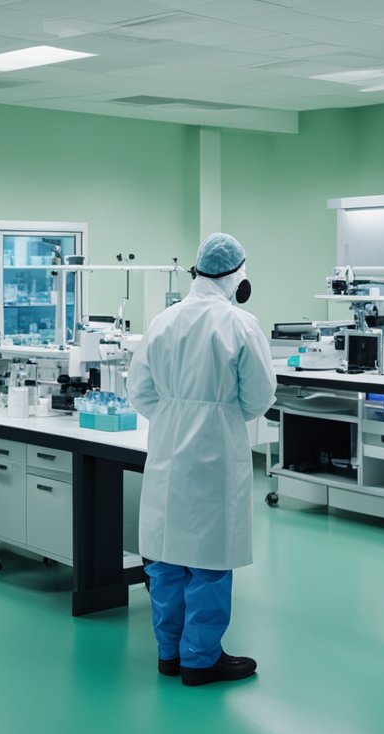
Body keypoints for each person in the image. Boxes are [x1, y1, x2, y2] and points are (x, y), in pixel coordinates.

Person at [127, 232, 277, 687]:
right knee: (209, 559)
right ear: (237, 275)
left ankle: (169, 653)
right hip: (216, 450)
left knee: (166, 556)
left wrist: (175, 413)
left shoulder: (163, 321)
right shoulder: (239, 324)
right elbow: (259, 395)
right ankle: (200, 659)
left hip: (168, 445)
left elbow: (139, 390)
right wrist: (218, 415)